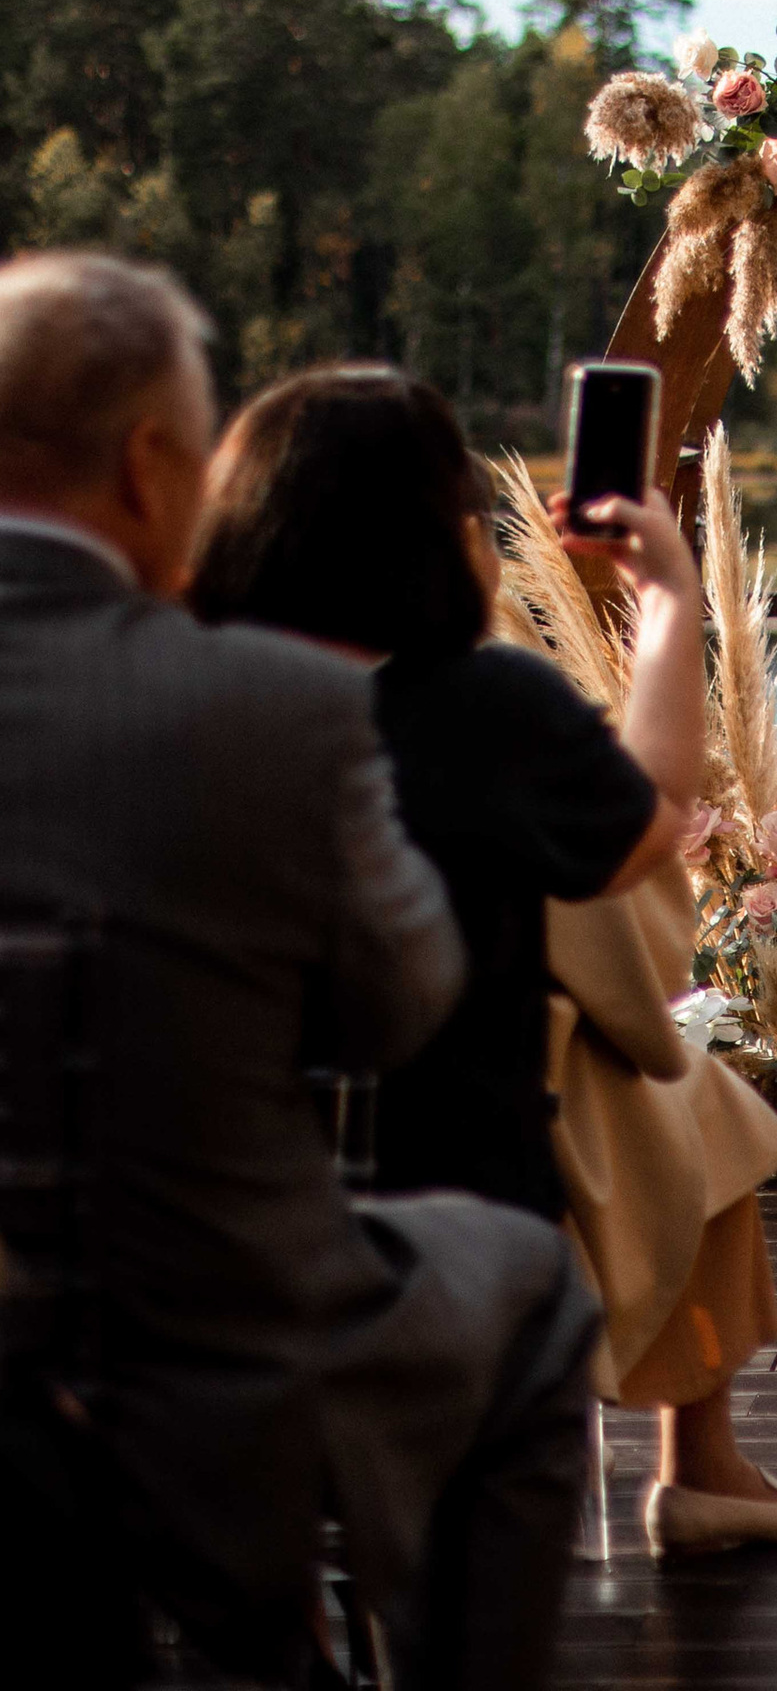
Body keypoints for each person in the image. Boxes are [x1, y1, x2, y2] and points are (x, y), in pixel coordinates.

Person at [0, 252, 598, 1689]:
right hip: (230, 1336)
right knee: (527, 1284)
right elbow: (400, 1003)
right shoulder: (277, 708)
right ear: (151, 465)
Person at [187, 366, 777, 1559]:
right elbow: (652, 816)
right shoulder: (477, 708)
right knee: (685, 1097)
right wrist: (665, 602)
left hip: (206, 1203)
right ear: (432, 540)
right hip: (446, 1198)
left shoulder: (179, 704)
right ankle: (701, 1468)